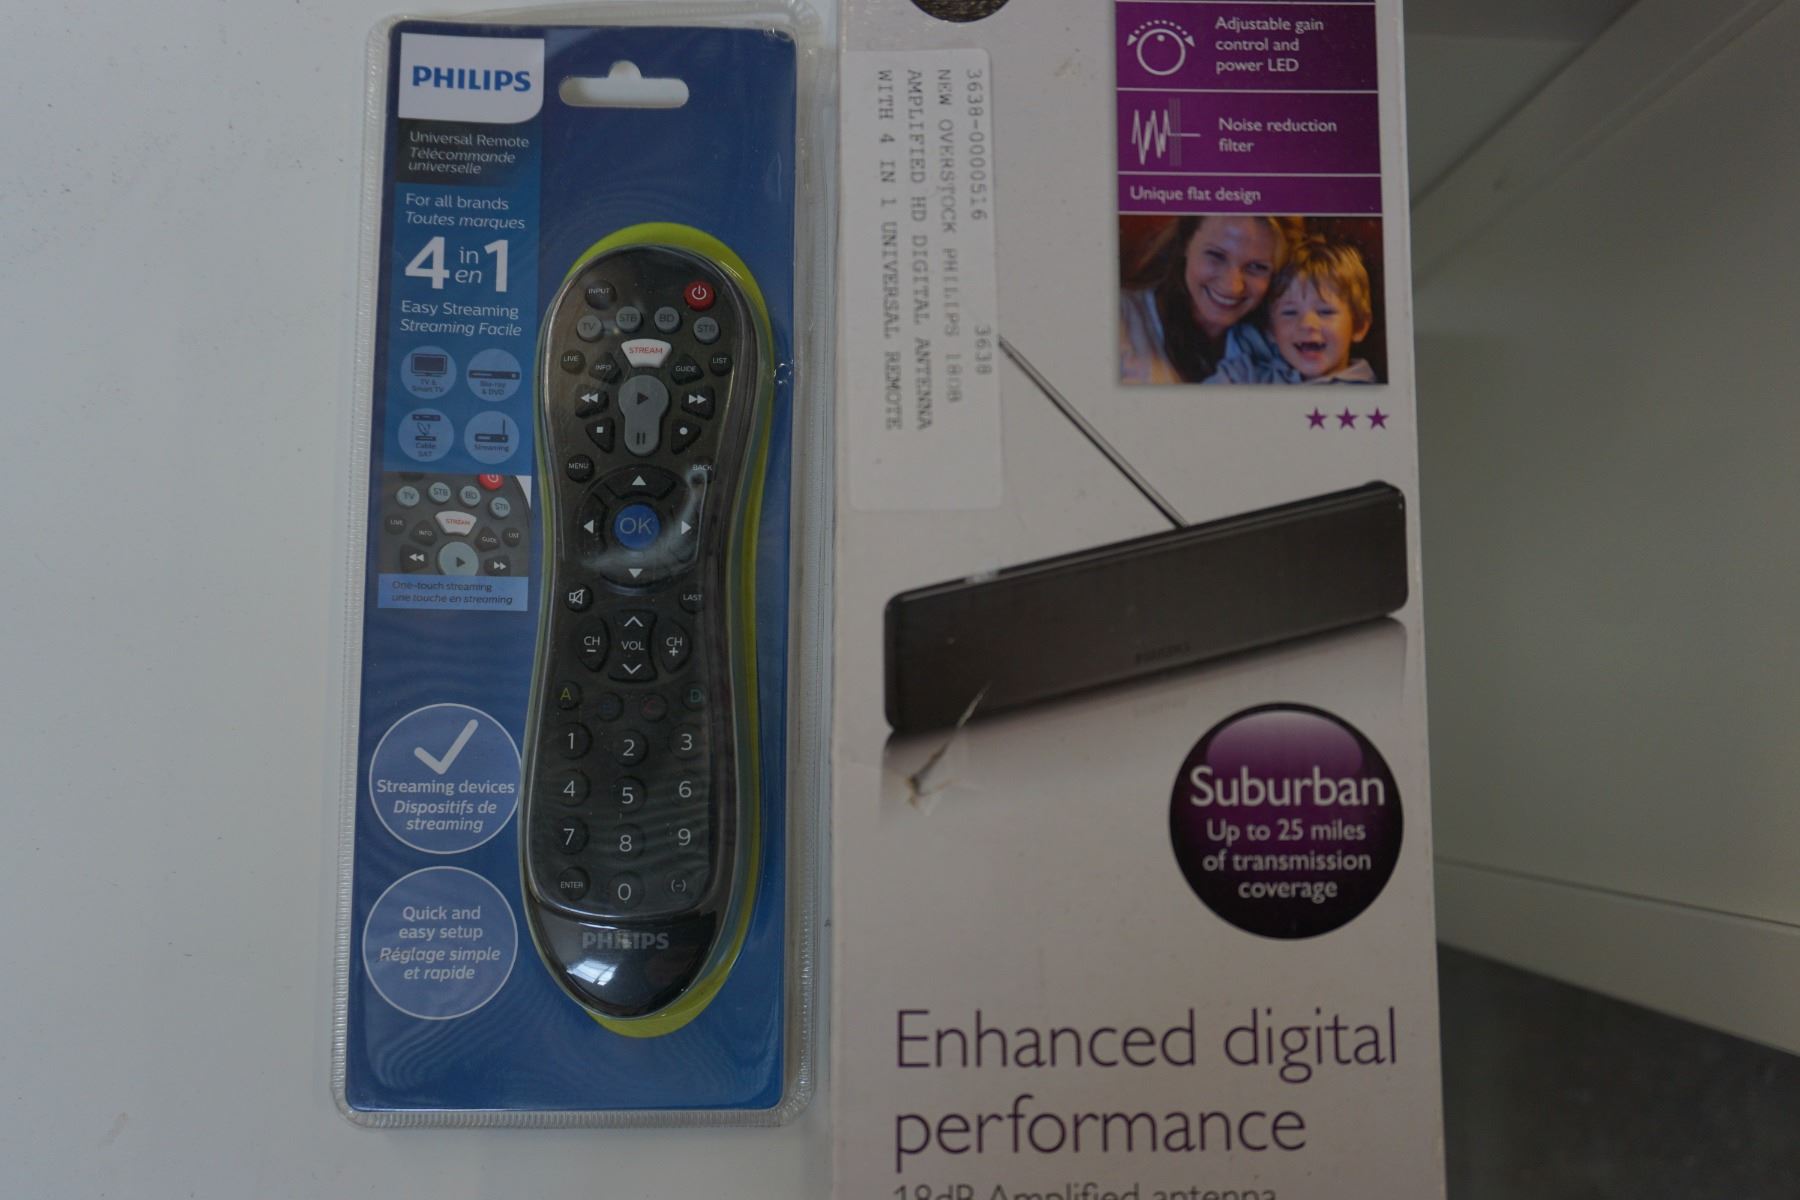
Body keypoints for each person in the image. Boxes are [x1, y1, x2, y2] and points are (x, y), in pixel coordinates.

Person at [1119, 215, 1303, 384]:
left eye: (1256, 267)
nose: (1232, 286)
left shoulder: (1281, 348)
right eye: (1216, 256)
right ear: (1185, 243)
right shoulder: (1119, 318)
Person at [1207, 234, 1376, 384]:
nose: (1307, 324)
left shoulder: (1369, 396)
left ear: (1359, 326)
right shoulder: (1247, 375)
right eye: (1290, 312)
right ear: (1271, 331)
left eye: (1325, 312)